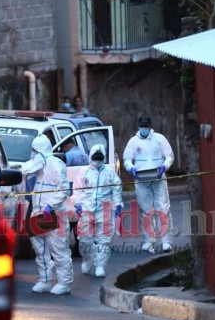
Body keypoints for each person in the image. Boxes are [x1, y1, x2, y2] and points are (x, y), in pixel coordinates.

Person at [20, 134, 73, 294]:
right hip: (37, 213)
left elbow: (64, 189)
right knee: (40, 249)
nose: (32, 154)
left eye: (34, 151)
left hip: (54, 214)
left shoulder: (55, 164)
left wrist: (50, 206)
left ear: (40, 151)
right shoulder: (37, 167)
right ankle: (44, 280)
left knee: (59, 250)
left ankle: (65, 283)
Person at [123, 116, 175, 254]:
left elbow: (169, 156)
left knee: (163, 208)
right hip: (141, 179)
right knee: (146, 210)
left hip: (158, 177)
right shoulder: (133, 142)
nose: (144, 128)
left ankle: (166, 242)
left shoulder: (159, 139)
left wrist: (164, 166)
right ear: (139, 126)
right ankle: (148, 241)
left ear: (150, 126)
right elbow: (127, 159)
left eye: (146, 126)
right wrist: (131, 168)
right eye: (142, 126)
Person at [74, 144, 123, 277]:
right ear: (90, 157)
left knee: (104, 239)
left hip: (104, 209)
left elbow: (117, 189)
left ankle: (100, 266)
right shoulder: (83, 172)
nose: (97, 161)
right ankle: (87, 259)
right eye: (95, 159)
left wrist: (118, 205)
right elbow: (77, 189)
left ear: (104, 159)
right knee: (84, 239)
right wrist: (77, 203)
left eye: (99, 159)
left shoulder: (109, 173)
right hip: (86, 209)